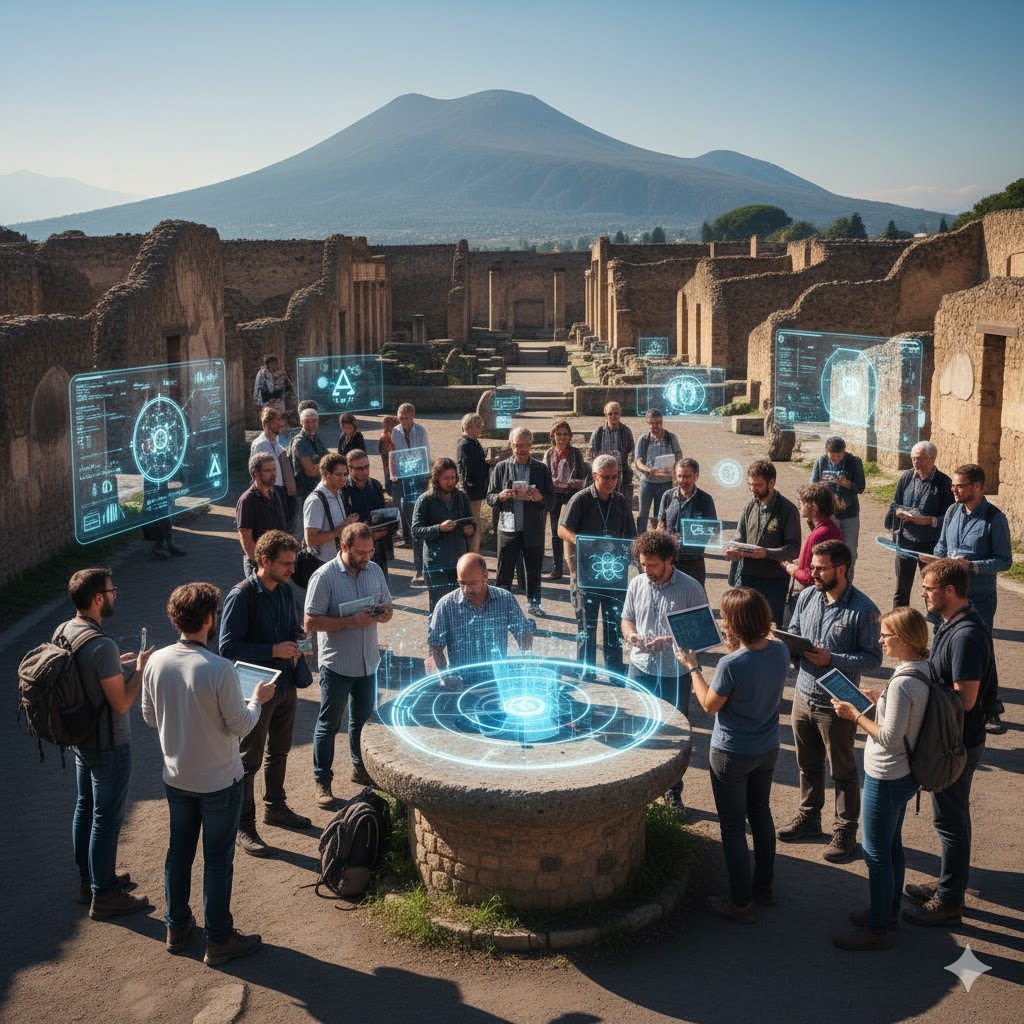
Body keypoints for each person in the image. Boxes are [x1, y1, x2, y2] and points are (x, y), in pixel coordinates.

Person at [143, 581, 276, 965]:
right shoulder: (219, 669)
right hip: (219, 780)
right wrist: (257, 699)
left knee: (178, 854)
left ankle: (176, 925)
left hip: (176, 776)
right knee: (217, 860)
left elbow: (150, 718)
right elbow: (241, 725)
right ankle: (218, 938)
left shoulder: (156, 662)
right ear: (208, 618)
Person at [676, 588, 788, 923]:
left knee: (733, 829)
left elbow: (710, 706)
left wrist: (693, 668)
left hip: (732, 753)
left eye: (725, 616)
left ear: (736, 622)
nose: (722, 622)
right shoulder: (780, 650)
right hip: (767, 747)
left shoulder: (731, 663)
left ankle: (740, 903)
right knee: (761, 814)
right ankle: (764, 886)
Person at [901, 558, 996, 927]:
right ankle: (948, 885)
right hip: (952, 739)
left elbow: (966, 700)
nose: (923, 594)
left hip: (957, 743)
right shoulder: (949, 624)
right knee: (952, 817)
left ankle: (950, 899)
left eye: (928, 588)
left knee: (950, 820)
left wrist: (919, 694)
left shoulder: (966, 635)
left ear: (950, 591)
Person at [830, 607, 931, 950]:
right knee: (892, 846)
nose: (880, 641)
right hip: (903, 774)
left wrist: (854, 714)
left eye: (885, 635)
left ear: (903, 639)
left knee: (875, 854)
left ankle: (877, 928)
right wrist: (879, 702)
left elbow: (888, 737)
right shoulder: (920, 669)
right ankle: (886, 912)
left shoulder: (903, 683)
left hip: (887, 774)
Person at [778, 540, 882, 863]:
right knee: (807, 764)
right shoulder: (808, 596)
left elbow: (874, 658)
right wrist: (791, 646)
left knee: (843, 771)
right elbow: (794, 631)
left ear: (841, 569)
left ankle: (845, 831)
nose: (813, 573)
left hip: (839, 705)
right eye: (813, 566)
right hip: (803, 696)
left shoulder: (864, 609)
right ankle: (809, 817)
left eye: (821, 567)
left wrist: (831, 658)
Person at [65, 567, 154, 919]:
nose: (116, 595)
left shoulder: (68, 630)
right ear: (98, 599)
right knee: (106, 818)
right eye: (112, 590)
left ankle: (90, 880)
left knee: (84, 808)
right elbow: (121, 703)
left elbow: (86, 675)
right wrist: (141, 669)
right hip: (109, 743)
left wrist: (119, 665)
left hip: (80, 739)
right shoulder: (102, 644)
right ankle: (104, 895)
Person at [219, 529, 313, 857]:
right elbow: (227, 648)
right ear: (264, 561)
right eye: (285, 564)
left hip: (285, 685)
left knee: (281, 751)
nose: (291, 569)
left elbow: (291, 627)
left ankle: (276, 807)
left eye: (292, 563)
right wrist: (274, 649)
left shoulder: (285, 591)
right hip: (255, 691)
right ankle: (244, 826)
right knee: (249, 761)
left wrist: (301, 643)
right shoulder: (241, 595)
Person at [305, 523, 394, 802]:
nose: (366, 557)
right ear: (343, 547)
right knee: (329, 724)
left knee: (363, 721)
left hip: (369, 663)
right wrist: (349, 622)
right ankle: (322, 780)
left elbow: (388, 608)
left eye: (369, 551)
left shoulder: (375, 570)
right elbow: (310, 622)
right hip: (337, 665)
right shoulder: (324, 577)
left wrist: (382, 614)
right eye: (360, 552)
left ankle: (360, 768)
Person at [621, 530, 705, 816]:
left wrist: (669, 642)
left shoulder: (692, 587)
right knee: (635, 728)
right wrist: (632, 636)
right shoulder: (637, 583)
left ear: (670, 560)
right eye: (643, 564)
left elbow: (701, 631)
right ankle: (634, 790)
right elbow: (627, 618)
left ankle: (672, 793)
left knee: (674, 733)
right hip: (639, 668)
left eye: (653, 565)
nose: (647, 571)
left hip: (674, 673)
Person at [559, 454, 637, 674]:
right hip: (587, 574)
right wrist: (582, 542)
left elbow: (631, 534)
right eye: (606, 477)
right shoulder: (581, 499)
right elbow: (562, 529)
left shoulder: (620, 500)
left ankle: (614, 670)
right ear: (595, 476)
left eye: (614, 477)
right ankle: (586, 669)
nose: (611, 482)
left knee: (614, 624)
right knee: (587, 624)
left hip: (614, 574)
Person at [427, 553, 533, 687]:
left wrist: (525, 661)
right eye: (462, 583)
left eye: (473, 583)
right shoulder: (446, 605)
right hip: (462, 684)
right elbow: (435, 647)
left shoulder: (505, 599)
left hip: (496, 682)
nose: (466, 589)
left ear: (485, 577)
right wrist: (446, 676)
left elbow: (523, 633)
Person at [932, 463, 1011, 634]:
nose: (954, 490)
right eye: (952, 485)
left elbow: (1005, 561)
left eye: (959, 486)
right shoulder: (952, 511)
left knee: (976, 647)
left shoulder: (995, 518)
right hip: (949, 594)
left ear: (977, 486)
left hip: (978, 598)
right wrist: (936, 559)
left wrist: (973, 565)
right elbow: (942, 544)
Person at [724, 459, 801, 624]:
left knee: (770, 626)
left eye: (758, 485)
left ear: (771, 483)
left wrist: (767, 553)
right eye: (750, 484)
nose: (753, 489)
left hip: (773, 581)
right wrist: (733, 550)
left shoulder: (788, 510)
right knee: (742, 624)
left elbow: (793, 549)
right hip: (746, 577)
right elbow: (740, 536)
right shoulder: (749, 505)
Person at [487, 427, 554, 614]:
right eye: (517, 445)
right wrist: (500, 497)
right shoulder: (501, 467)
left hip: (533, 528)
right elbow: (489, 497)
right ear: (511, 445)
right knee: (504, 570)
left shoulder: (541, 469)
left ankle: (534, 604)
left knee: (534, 570)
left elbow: (552, 500)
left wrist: (540, 498)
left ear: (531, 445)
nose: (521, 449)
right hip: (508, 528)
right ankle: (501, 606)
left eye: (525, 445)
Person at [884, 440, 954, 609]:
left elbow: (950, 517)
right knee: (901, 589)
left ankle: (936, 620)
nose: (916, 462)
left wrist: (930, 520)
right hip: (905, 542)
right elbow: (896, 503)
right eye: (914, 458)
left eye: (920, 458)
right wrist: (899, 512)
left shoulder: (944, 482)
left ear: (932, 459)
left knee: (933, 588)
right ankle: (899, 621)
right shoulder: (907, 477)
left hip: (930, 546)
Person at [412, 457, 476, 610]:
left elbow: (471, 523)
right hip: (436, 565)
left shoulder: (462, 497)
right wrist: (438, 528)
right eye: (445, 478)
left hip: (460, 563)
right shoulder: (425, 500)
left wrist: (470, 530)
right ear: (436, 479)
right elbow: (416, 531)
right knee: (439, 609)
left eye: (452, 478)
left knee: (461, 608)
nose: (449, 482)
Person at [657, 457, 718, 589]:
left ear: (696, 476)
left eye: (687, 476)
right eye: (679, 476)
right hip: (670, 560)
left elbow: (713, 530)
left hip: (694, 560)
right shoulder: (667, 496)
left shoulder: (705, 500)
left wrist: (693, 536)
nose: (683, 480)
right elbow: (661, 525)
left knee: (696, 601)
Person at [810, 436, 865, 578]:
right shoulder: (821, 462)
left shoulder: (854, 462)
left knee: (850, 551)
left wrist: (848, 484)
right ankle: (828, 580)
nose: (835, 458)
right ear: (826, 451)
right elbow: (813, 487)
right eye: (832, 455)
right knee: (828, 549)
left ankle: (847, 582)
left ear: (844, 451)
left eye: (839, 455)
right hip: (828, 514)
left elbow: (861, 487)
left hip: (849, 513)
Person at [543, 420, 588, 581]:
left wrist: (577, 482)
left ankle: (577, 567)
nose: (562, 438)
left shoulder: (576, 453)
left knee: (573, 530)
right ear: (553, 436)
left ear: (570, 436)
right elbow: (545, 475)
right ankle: (557, 569)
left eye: (565, 434)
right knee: (555, 532)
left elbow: (583, 474)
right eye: (558, 434)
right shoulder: (549, 453)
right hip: (554, 494)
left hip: (571, 493)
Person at [391, 403, 431, 584]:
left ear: (413, 416)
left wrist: (424, 472)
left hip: (420, 479)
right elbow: (396, 454)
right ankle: (418, 569)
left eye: (406, 417)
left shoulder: (421, 431)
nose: (403, 421)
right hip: (404, 481)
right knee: (412, 525)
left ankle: (427, 566)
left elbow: (424, 454)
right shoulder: (395, 432)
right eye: (401, 417)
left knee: (424, 523)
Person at [782, 482, 844, 599]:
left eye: (803, 503)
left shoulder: (819, 535)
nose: (800, 506)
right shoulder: (831, 528)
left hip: (815, 593)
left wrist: (791, 568)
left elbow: (809, 577)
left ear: (814, 506)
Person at [236, 452, 288, 577]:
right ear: (255, 473)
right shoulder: (247, 500)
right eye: (268, 470)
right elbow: (245, 537)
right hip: (259, 564)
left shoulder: (274, 493)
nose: (273, 474)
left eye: (274, 469)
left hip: (277, 560)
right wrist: (260, 564)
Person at [303, 453, 358, 567]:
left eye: (345, 474)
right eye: (338, 475)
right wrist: (339, 531)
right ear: (325, 474)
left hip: (338, 562)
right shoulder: (316, 501)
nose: (343, 479)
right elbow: (311, 539)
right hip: (322, 565)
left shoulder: (338, 493)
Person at [343, 449, 392, 576]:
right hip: (356, 550)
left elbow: (382, 514)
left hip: (377, 549)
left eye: (366, 467)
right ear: (350, 469)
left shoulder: (375, 485)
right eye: (359, 468)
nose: (364, 472)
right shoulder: (343, 489)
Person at [634, 409, 681, 532]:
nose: (655, 426)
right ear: (647, 423)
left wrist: (674, 468)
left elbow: (678, 456)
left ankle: (657, 540)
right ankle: (640, 538)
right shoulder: (643, 439)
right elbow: (638, 462)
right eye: (651, 423)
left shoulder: (671, 438)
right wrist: (649, 470)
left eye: (658, 423)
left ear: (662, 421)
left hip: (665, 483)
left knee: (660, 514)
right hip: (647, 482)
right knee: (643, 513)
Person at [251, 406, 297, 525]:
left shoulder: (276, 442)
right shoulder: (261, 445)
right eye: (278, 419)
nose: (282, 423)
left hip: (281, 490)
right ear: (268, 422)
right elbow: (257, 471)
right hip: (270, 489)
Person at [289, 408, 329, 535]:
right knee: (303, 527)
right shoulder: (299, 442)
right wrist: (325, 464)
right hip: (303, 492)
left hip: (316, 490)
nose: (311, 425)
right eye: (307, 422)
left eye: (314, 421)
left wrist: (324, 463)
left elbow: (328, 459)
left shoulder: (315, 438)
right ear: (301, 422)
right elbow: (310, 471)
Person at [588, 401, 635, 501]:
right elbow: (591, 455)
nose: (613, 416)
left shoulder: (626, 431)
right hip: (603, 475)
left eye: (616, 413)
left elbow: (631, 451)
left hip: (622, 475)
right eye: (610, 414)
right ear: (606, 415)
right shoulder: (598, 433)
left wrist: (629, 466)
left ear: (620, 414)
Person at [378, 414, 398, 497]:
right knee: (391, 479)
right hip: (390, 463)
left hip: (388, 462)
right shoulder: (388, 436)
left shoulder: (385, 435)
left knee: (388, 477)